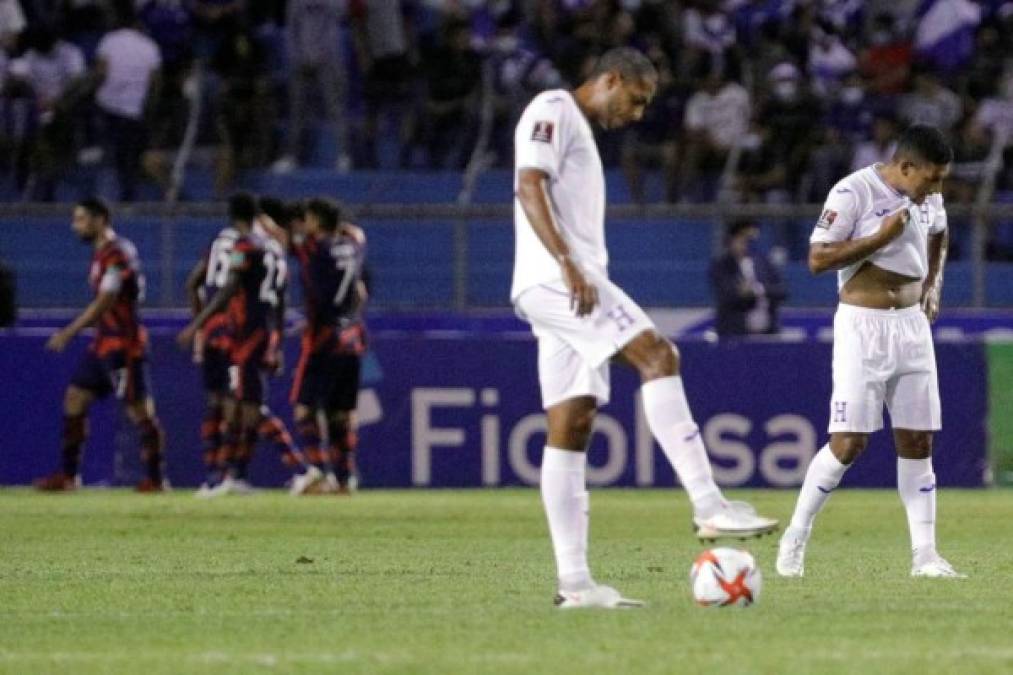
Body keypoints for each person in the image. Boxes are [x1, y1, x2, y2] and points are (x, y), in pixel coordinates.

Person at [511, 47, 778, 610]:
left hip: (557, 282)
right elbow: (528, 184)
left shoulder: (576, 127)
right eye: (635, 100)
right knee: (658, 356)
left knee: (573, 422)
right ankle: (709, 504)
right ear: (609, 79)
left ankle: (576, 585)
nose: (635, 115)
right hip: (561, 278)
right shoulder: (553, 107)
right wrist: (567, 263)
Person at [777, 125, 964, 579]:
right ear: (904, 167)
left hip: (912, 328)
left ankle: (925, 557)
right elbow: (818, 259)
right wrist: (879, 238)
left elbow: (939, 232)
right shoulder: (852, 191)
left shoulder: (928, 199)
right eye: (930, 180)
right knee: (848, 444)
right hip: (864, 328)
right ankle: (795, 537)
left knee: (918, 441)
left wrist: (934, 285)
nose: (936, 190)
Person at [178, 193, 321, 496]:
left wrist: (197, 325)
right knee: (240, 403)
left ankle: (300, 468)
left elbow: (226, 287)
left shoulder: (242, 246)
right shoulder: (275, 248)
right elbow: (282, 299)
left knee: (244, 406)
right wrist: (278, 341)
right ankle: (232, 476)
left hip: (242, 332)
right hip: (262, 331)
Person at [35, 198, 166, 492]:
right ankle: (69, 477)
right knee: (74, 398)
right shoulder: (102, 254)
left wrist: (69, 332)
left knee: (139, 411)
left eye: (81, 219)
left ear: (100, 219)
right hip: (103, 343)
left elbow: (106, 299)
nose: (75, 226)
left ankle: (156, 479)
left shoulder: (118, 253)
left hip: (124, 344)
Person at [281, 198, 368, 494]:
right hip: (351, 339)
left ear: (317, 222)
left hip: (323, 340)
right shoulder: (353, 245)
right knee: (340, 414)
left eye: (308, 219)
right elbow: (361, 292)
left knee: (305, 411)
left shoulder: (315, 249)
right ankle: (346, 478)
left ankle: (319, 472)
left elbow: (285, 241)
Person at [709, 220, 786, 338]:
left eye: (746, 240)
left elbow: (782, 290)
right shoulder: (721, 266)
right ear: (730, 241)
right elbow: (727, 295)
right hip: (736, 335)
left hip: (768, 333)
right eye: (739, 240)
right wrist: (742, 293)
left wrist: (757, 290)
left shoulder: (763, 263)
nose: (744, 244)